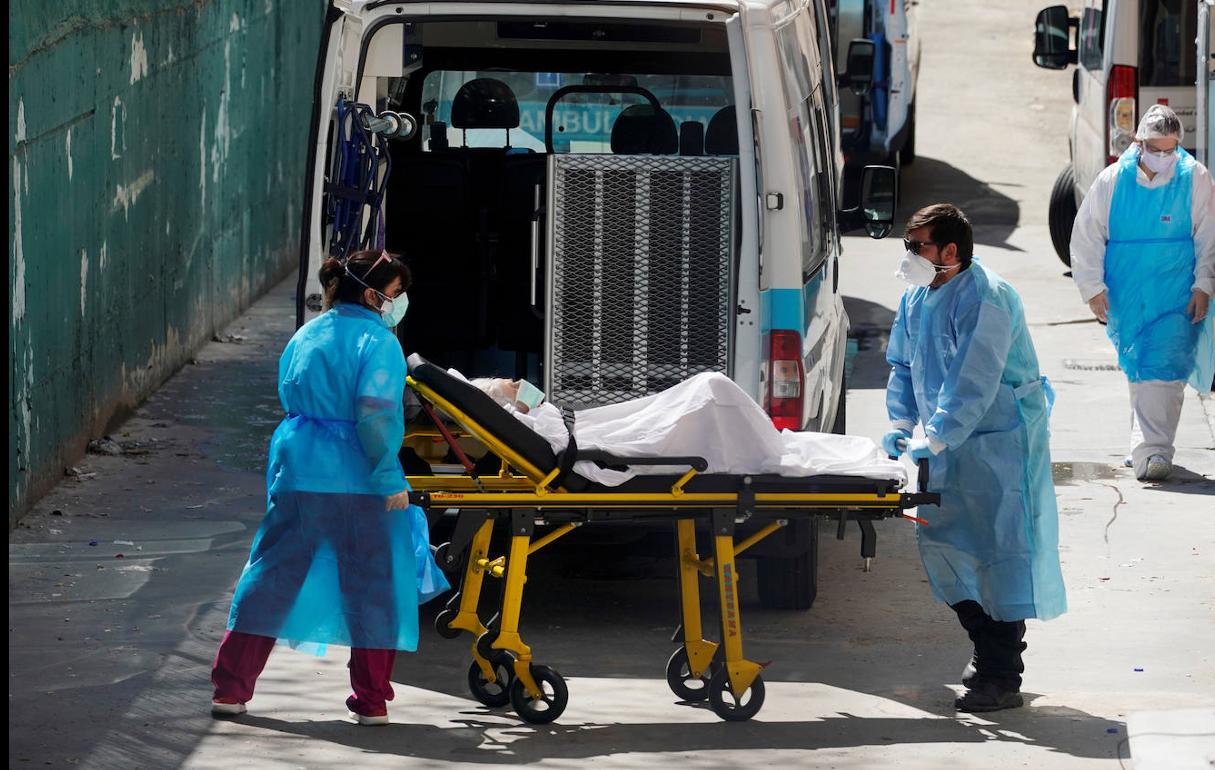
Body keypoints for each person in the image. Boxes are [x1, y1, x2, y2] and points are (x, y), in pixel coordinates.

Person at [210, 250, 450, 725]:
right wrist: (389, 478)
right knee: (374, 586)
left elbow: (291, 400)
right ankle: (371, 699)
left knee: (270, 578)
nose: (396, 304)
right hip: (359, 480)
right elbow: (376, 414)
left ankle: (230, 690)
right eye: (395, 294)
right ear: (372, 293)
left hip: (300, 472)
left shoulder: (306, 334)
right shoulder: (379, 342)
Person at [883, 204, 1066, 712]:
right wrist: (901, 424)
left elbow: (974, 380)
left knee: (999, 553)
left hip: (997, 443)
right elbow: (902, 363)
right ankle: (988, 651)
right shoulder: (918, 296)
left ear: (950, 251)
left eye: (917, 246)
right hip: (946, 444)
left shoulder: (988, 298)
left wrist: (936, 434)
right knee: (945, 547)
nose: (910, 255)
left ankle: (1001, 673)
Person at [1069, 104, 1215, 481]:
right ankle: (1143, 443)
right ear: (1138, 142)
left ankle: (1154, 451)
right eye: (1154, 148)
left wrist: (1204, 284)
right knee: (1139, 365)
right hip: (1128, 292)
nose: (1161, 156)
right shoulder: (1112, 181)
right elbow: (1088, 235)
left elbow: (1211, 236)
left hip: (1176, 291)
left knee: (1165, 367)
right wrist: (1092, 287)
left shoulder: (1195, 179)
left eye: (1169, 149)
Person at [420, 364, 906, 486]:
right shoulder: (530, 424)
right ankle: (762, 445)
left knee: (704, 392)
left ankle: (762, 441)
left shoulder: (526, 419)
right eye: (505, 382)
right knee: (709, 393)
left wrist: (522, 395)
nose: (514, 381)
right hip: (599, 448)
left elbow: (546, 409)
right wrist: (517, 395)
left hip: (594, 434)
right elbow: (552, 427)